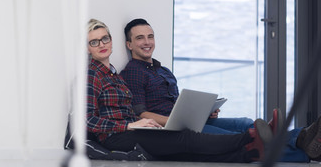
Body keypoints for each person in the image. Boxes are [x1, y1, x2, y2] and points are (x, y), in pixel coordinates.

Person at [120, 18, 321, 162]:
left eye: (150, 36)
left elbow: (176, 104)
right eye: (140, 38)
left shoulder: (162, 70)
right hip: (173, 127)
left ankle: (302, 141)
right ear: (129, 44)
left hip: (189, 121)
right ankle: (302, 142)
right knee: (236, 138)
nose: (147, 42)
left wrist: (204, 111)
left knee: (245, 123)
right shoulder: (133, 72)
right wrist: (175, 122)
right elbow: (141, 113)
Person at [86, 18, 273, 163]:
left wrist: (142, 122)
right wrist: (129, 125)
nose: (102, 44)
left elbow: (126, 112)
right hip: (116, 137)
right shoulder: (92, 74)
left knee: (187, 152)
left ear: (111, 40)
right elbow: (88, 120)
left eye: (105, 38)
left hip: (131, 130)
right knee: (185, 138)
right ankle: (250, 137)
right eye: (94, 42)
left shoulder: (113, 74)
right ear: (88, 48)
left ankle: (251, 153)